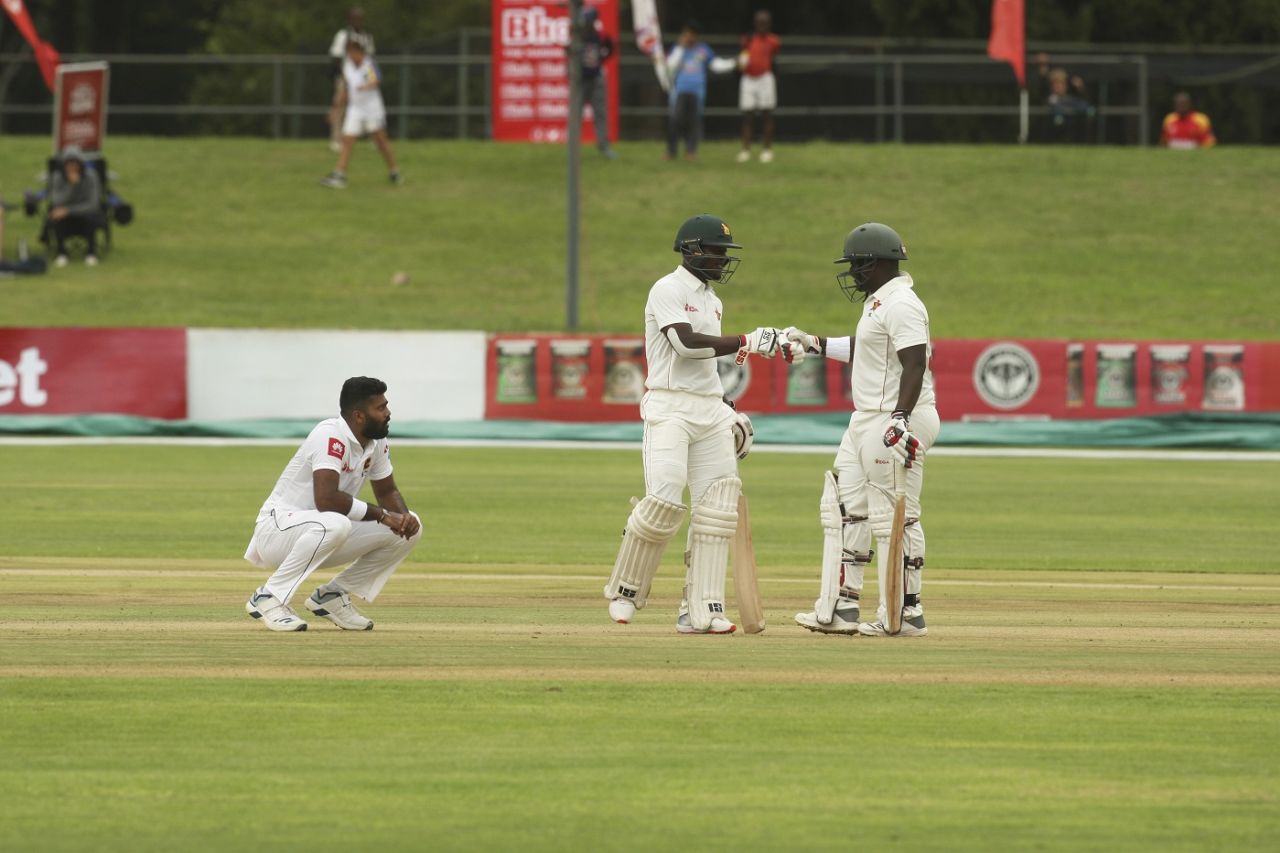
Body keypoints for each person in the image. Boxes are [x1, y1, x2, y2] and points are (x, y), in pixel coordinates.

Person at [602, 213, 780, 634]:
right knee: (663, 496)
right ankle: (626, 590)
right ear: (693, 250)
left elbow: (704, 368)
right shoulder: (667, 288)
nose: (722, 260)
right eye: (717, 252)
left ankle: (701, 608)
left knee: (716, 508)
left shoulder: (712, 300)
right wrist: (746, 342)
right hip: (669, 407)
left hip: (708, 409)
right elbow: (684, 344)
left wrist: (726, 404)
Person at [786, 223, 939, 638]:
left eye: (857, 265)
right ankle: (844, 608)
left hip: (894, 416)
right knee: (845, 508)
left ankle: (906, 613)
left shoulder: (903, 303)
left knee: (894, 517)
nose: (852, 273)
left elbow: (914, 363)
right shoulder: (878, 302)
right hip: (865, 417)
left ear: (877, 262)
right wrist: (815, 343)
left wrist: (900, 417)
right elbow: (866, 348)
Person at [243, 376, 422, 632]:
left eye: (386, 405)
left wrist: (403, 519)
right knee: (336, 523)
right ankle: (268, 597)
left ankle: (333, 596)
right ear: (359, 416)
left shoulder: (376, 441)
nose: (388, 413)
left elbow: (387, 490)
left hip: (325, 532)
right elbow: (326, 499)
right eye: (380, 408)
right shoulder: (329, 436)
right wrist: (383, 516)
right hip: (277, 531)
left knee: (409, 529)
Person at [321, 37, 401, 188]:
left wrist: (366, 86)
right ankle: (340, 175)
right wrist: (335, 109)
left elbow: (376, 80)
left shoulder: (368, 64)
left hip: (372, 109)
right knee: (347, 140)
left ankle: (394, 171)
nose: (350, 56)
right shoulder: (348, 66)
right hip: (355, 109)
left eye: (351, 52)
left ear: (358, 51)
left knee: (381, 141)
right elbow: (345, 89)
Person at [664, 22, 737, 161]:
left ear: (695, 36)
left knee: (694, 121)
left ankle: (691, 151)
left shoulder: (703, 50)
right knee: (675, 120)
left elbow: (716, 65)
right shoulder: (677, 50)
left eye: (689, 34)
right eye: (684, 33)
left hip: (697, 91)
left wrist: (733, 63)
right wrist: (680, 48)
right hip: (680, 90)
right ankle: (671, 151)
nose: (686, 36)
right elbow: (670, 68)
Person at [327, 7, 375, 153]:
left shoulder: (367, 37)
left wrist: (369, 78)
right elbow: (336, 56)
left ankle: (374, 137)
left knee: (369, 106)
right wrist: (345, 75)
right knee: (340, 106)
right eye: (354, 18)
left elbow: (369, 58)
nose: (357, 22)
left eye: (359, 19)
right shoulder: (343, 35)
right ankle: (336, 139)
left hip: (364, 78)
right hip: (346, 77)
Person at [48, 146, 105, 268]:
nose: (72, 166)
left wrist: (69, 210)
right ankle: (62, 253)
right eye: (68, 163)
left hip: (85, 215)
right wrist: (71, 186)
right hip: (65, 218)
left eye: (75, 163)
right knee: (55, 214)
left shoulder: (91, 177)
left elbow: (93, 204)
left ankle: (91, 253)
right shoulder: (57, 177)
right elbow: (56, 201)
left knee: (91, 217)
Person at [736, 10, 780, 164]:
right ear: (755, 23)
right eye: (760, 23)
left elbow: (773, 57)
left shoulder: (774, 41)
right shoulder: (748, 39)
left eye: (765, 23)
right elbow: (743, 57)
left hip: (765, 79)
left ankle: (767, 150)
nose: (762, 26)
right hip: (748, 79)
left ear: (769, 24)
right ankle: (745, 150)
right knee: (748, 115)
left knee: (767, 114)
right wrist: (741, 63)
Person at [574, 6, 617, 159]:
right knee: (575, 114)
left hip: (596, 78)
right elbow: (567, 52)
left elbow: (611, 47)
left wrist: (601, 59)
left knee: (600, 113)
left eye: (590, 20)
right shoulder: (577, 36)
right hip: (580, 79)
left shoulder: (600, 35)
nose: (587, 23)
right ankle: (574, 148)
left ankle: (603, 146)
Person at [1035, 54, 1094, 144]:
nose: (1058, 87)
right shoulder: (1050, 97)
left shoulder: (1070, 96)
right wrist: (1042, 67)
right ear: (1051, 86)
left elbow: (1082, 95)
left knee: (1080, 104)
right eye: (1056, 84)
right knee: (1054, 104)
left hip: (1071, 114)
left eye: (1061, 84)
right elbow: (1042, 83)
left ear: (1065, 85)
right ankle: (1059, 118)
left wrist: (1080, 87)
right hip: (1056, 113)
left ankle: (1088, 111)